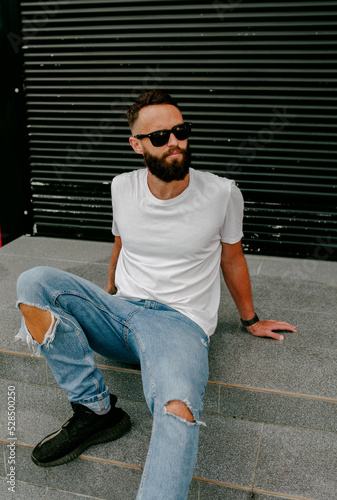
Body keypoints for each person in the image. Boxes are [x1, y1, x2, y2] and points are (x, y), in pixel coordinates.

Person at [16, 89, 296, 500]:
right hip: (121, 313)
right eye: (161, 136)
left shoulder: (221, 192)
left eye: (180, 131)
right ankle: (95, 410)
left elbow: (232, 260)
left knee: (177, 409)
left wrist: (251, 320)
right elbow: (120, 244)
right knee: (33, 282)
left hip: (178, 326)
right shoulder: (121, 187)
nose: (175, 142)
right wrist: (103, 297)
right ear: (137, 145)